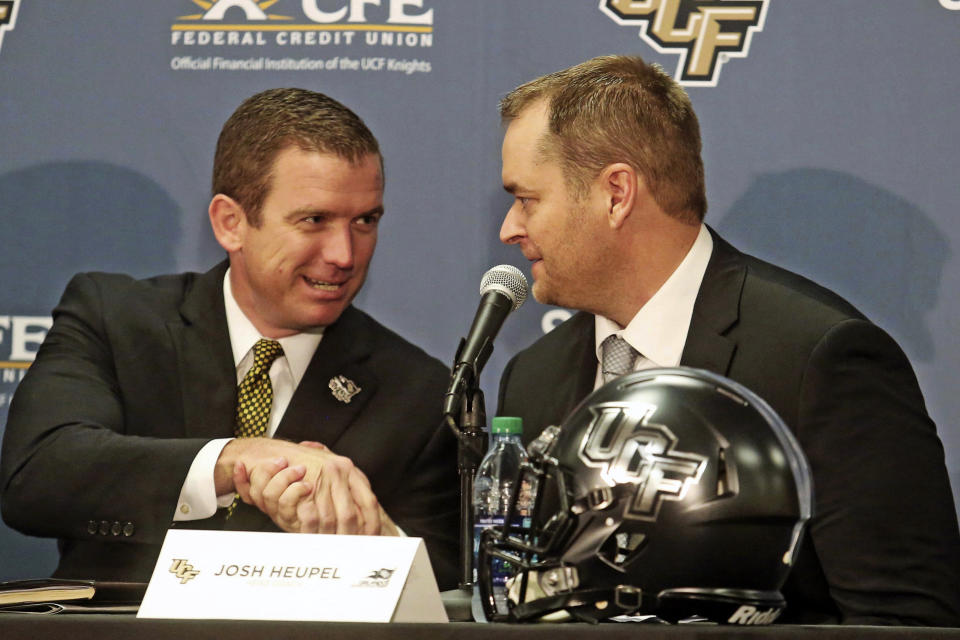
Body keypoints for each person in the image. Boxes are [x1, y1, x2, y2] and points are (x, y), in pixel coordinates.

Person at [494, 55, 960, 625]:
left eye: (527, 199)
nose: (509, 229)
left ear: (616, 193)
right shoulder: (532, 378)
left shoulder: (822, 361)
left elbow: (908, 625)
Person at [0, 88, 458, 589]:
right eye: (314, 220)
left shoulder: (416, 391)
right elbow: (35, 478)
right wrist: (232, 459)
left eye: (365, 221)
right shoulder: (115, 319)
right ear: (231, 223)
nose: (345, 254)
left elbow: (445, 582)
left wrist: (366, 539)